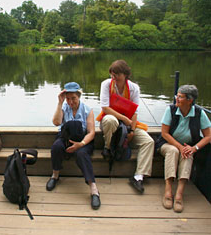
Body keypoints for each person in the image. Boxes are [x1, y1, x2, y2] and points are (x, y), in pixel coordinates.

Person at [98, 60, 154, 194]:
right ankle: (107, 147)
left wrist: (132, 131)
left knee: (149, 141)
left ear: (125, 74)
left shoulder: (134, 88)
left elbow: (135, 112)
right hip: (111, 120)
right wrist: (124, 118)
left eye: (117, 74)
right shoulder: (106, 84)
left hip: (129, 123)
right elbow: (105, 108)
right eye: (112, 74)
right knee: (110, 120)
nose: (114, 78)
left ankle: (138, 176)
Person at [46, 82, 100, 210]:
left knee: (81, 153)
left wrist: (80, 144)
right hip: (65, 137)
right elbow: (56, 122)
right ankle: (55, 176)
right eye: (68, 98)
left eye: (73, 98)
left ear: (79, 96)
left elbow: (91, 132)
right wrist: (60, 103)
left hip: (83, 140)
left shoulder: (87, 109)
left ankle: (94, 189)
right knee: (56, 147)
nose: (70, 102)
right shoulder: (64, 107)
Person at [157, 85, 211, 213]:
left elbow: (208, 136)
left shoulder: (199, 113)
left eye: (180, 97)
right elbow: (164, 134)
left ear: (190, 100)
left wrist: (194, 148)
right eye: (177, 96)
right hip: (167, 144)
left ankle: (179, 193)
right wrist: (180, 147)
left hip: (188, 146)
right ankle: (168, 190)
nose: (177, 99)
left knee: (187, 154)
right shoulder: (170, 110)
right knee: (174, 151)